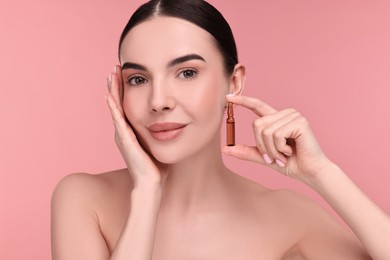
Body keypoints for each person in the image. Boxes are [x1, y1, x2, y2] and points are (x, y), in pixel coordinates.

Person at [51, 0, 390, 259]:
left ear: (234, 82)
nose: (158, 101)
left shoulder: (290, 217)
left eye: (186, 73)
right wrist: (146, 194)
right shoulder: (83, 198)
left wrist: (323, 173)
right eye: (138, 79)